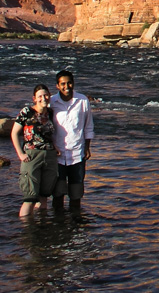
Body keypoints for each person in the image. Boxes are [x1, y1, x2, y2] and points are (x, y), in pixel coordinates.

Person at [11, 84, 58, 217]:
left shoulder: (50, 113)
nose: (43, 98)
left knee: (44, 196)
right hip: (31, 156)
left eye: (46, 95)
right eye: (40, 96)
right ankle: (26, 230)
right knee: (30, 198)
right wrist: (20, 154)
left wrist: (56, 146)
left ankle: (40, 226)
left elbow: (49, 134)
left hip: (49, 155)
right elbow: (14, 133)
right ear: (34, 98)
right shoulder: (26, 112)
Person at [50, 70, 94, 211]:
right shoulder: (51, 102)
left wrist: (87, 148)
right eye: (63, 84)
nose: (66, 86)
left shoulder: (82, 101)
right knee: (58, 194)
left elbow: (88, 126)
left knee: (76, 195)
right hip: (58, 157)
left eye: (69, 83)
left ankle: (75, 225)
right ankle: (58, 226)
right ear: (57, 86)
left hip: (77, 155)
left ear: (73, 83)